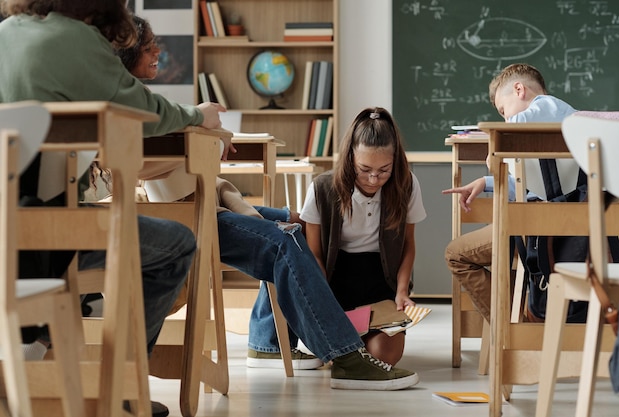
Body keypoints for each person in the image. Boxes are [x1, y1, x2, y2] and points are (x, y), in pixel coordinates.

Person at [0, 0, 420, 398]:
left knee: (281, 226)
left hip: (21, 223)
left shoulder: (8, 34)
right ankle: (124, 381)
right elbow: (144, 111)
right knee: (272, 238)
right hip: (73, 223)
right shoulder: (76, 43)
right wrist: (198, 116)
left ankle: (73, 355)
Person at [247, 107, 427, 367]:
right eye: (364, 169)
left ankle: (357, 341)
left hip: (381, 283)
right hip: (334, 279)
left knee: (384, 356)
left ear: (395, 160)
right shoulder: (323, 187)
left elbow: (408, 245)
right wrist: (325, 300)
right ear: (350, 157)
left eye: (383, 170)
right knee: (334, 352)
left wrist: (401, 291)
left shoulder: (406, 184)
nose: (374, 179)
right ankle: (341, 341)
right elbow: (315, 253)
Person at [441, 63, 577, 322]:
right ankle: (523, 317)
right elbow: (539, 182)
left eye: (504, 110)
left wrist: (494, 155)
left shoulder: (541, 109)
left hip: (537, 225)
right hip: (573, 222)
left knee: (456, 254)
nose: (506, 119)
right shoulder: (574, 120)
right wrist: (486, 181)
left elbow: (503, 155)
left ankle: (512, 330)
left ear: (519, 89)